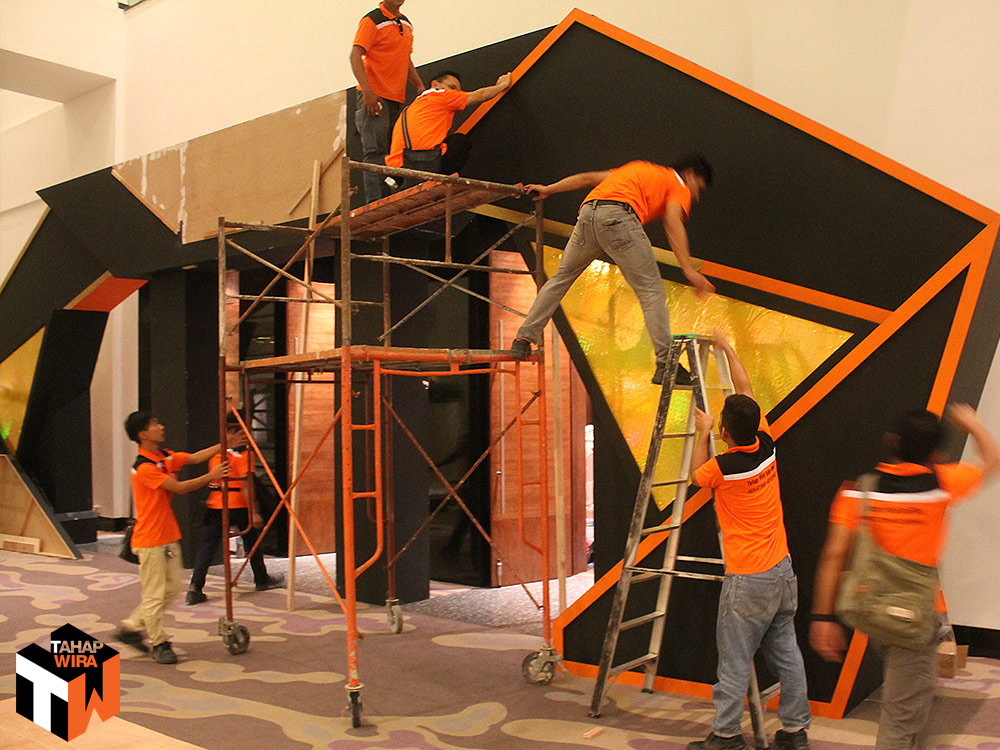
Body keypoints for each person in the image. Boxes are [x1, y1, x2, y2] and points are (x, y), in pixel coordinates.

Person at [809, 405, 999, 750]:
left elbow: (834, 555)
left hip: (869, 610)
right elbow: (992, 460)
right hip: (913, 620)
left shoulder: (858, 491)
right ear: (937, 454)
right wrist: (973, 424)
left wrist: (823, 618)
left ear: (891, 441)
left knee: (913, 695)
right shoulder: (942, 485)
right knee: (900, 719)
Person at [688, 334, 812, 750]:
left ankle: (726, 736)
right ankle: (795, 732)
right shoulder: (766, 443)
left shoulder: (722, 467)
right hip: (782, 570)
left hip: (748, 579)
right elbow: (745, 388)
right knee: (787, 654)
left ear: (724, 431)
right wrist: (727, 347)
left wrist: (701, 432)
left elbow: (695, 477)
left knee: (734, 660)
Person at [511, 156, 716, 385]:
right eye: (699, 187)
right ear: (690, 174)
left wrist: (550, 189)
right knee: (651, 291)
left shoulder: (639, 168)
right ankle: (666, 364)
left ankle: (522, 339)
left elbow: (587, 179)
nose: (696, 195)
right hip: (619, 218)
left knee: (560, 279)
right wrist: (689, 270)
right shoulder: (679, 185)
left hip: (588, 215)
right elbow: (672, 221)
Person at [116, 412, 227, 664]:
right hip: (150, 539)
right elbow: (180, 488)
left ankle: (131, 627)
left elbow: (194, 457)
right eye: (155, 424)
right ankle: (159, 643)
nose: (161, 426)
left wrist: (224, 444)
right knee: (155, 594)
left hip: (167, 534)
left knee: (173, 588)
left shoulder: (163, 457)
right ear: (143, 434)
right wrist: (212, 476)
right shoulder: (144, 468)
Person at [186, 415, 283, 605]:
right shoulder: (244, 454)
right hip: (238, 504)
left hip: (216, 504)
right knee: (252, 542)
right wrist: (254, 511)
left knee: (207, 547)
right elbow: (246, 484)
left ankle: (195, 587)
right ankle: (261, 578)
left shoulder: (217, 453)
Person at [350, 0, 425, 203]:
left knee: (393, 154)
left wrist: (419, 85)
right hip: (375, 95)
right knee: (375, 152)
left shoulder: (406, 23)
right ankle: (375, 202)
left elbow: (405, 59)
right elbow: (355, 55)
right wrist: (368, 92)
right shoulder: (372, 19)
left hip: (395, 99)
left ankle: (390, 199)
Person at [385, 70, 511, 181]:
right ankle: (447, 179)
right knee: (459, 141)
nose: (455, 93)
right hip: (425, 164)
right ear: (435, 84)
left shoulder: (410, 108)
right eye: (452, 87)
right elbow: (480, 95)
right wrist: (501, 85)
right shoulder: (441, 95)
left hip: (399, 169)